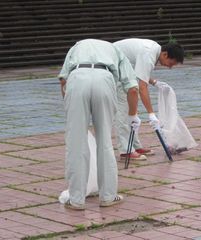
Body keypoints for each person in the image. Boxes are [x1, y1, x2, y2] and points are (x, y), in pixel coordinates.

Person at [58, 39, 140, 210]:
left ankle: (76, 200)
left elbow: (63, 81)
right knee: (105, 142)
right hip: (105, 79)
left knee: (76, 143)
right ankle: (108, 196)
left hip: (76, 78)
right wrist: (133, 116)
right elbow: (132, 88)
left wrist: (71, 109)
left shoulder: (76, 47)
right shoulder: (115, 50)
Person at [113, 38, 184, 161]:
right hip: (113, 71)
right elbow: (142, 87)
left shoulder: (153, 50)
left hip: (121, 71)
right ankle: (126, 150)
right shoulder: (149, 53)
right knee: (124, 111)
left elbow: (139, 73)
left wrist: (154, 82)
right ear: (165, 54)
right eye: (171, 63)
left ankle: (135, 146)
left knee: (132, 111)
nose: (170, 67)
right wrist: (151, 114)